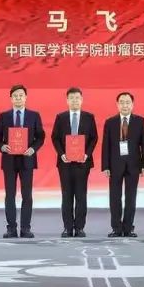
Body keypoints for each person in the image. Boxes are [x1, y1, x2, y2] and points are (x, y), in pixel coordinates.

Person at [0, 85, 45, 238]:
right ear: (11, 98)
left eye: (21, 95)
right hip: (9, 160)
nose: (18, 98)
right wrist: (2, 146)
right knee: (10, 195)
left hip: (27, 160)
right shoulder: (4, 116)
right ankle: (11, 228)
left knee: (26, 195)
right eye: (15, 96)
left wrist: (33, 149)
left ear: (25, 97)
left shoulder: (34, 115)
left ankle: (25, 228)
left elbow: (41, 136)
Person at [50, 87, 99, 238]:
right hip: (65, 163)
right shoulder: (61, 117)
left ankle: (79, 228)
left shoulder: (89, 117)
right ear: (67, 100)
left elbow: (94, 138)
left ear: (81, 100)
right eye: (71, 98)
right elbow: (54, 137)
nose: (75, 101)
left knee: (81, 195)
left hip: (82, 163)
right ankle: (67, 228)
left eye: (77, 98)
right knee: (66, 195)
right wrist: (62, 154)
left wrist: (86, 154)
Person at [101, 92, 144, 237]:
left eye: (127, 102)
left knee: (131, 197)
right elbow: (105, 145)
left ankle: (128, 228)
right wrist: (105, 166)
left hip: (133, 164)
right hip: (115, 165)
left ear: (132, 104)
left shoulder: (140, 121)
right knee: (115, 197)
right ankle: (116, 228)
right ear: (117, 104)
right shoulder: (110, 122)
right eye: (122, 102)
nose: (125, 105)